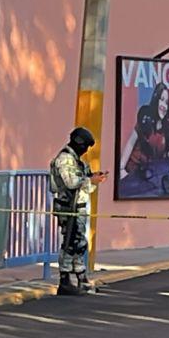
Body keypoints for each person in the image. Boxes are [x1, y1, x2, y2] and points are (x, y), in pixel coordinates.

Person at [50, 127, 107, 296]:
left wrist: (94, 178)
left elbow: (83, 182)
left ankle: (81, 278)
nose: (86, 151)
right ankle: (65, 280)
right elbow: (71, 182)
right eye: (85, 146)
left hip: (78, 207)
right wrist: (90, 179)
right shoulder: (65, 159)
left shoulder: (76, 160)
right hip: (69, 207)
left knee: (79, 243)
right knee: (69, 243)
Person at [121, 83, 169, 180]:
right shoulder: (144, 121)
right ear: (155, 100)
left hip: (151, 179)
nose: (163, 105)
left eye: (166, 102)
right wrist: (123, 174)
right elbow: (123, 163)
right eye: (161, 100)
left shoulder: (167, 130)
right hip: (134, 177)